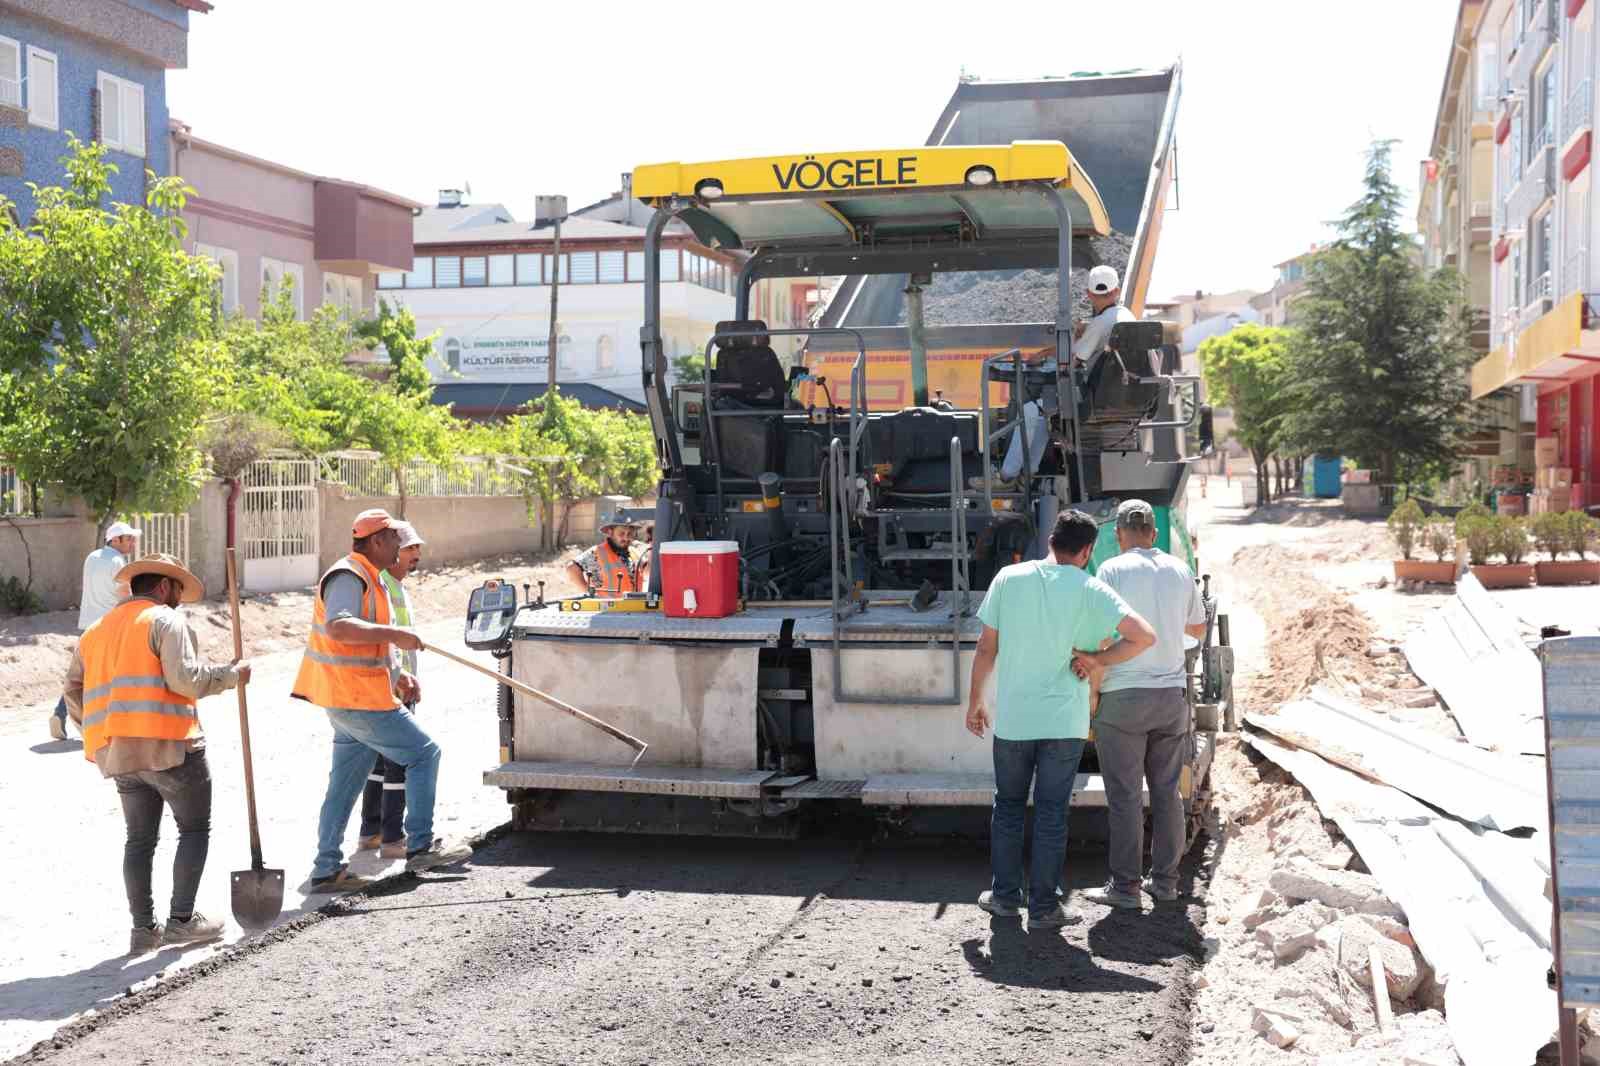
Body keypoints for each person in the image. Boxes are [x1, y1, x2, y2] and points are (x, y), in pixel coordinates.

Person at [966, 510, 1156, 928]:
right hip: (1064, 724)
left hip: (1015, 719)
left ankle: (1003, 897)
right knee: (1052, 812)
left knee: (1009, 807)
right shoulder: (1092, 589)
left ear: (1051, 540)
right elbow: (1144, 635)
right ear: (1088, 550)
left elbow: (985, 649)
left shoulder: (1008, 579)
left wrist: (975, 701)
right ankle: (1044, 908)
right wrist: (1096, 659)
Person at [61, 553, 250, 955]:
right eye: (178, 590)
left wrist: (96, 730)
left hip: (118, 752)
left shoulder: (95, 631)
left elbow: (72, 690)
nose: (179, 598)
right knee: (195, 829)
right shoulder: (165, 620)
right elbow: (186, 680)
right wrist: (233, 675)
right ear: (164, 586)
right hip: (171, 747)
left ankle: (143, 931)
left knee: (139, 840)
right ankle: (182, 921)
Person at [294, 509, 471, 892]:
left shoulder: (372, 579)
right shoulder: (348, 575)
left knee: (344, 784)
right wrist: (397, 634)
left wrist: (397, 673)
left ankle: (326, 869)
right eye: (395, 540)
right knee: (424, 754)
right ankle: (421, 845)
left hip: (349, 696)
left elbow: (370, 643)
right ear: (376, 541)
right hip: (357, 697)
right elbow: (339, 626)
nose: (401, 547)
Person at [1077, 499, 1208, 910]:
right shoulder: (1179, 569)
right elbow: (1198, 628)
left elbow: (1100, 635)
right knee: (1168, 793)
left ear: (1116, 536)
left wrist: (1093, 692)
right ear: (1154, 534)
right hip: (1171, 698)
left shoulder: (1112, 570)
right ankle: (1166, 883)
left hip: (1124, 699)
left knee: (1126, 796)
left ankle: (1126, 887)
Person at [357, 520, 425, 860]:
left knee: (380, 764)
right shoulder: (382, 585)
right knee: (402, 760)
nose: (417, 555)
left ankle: (371, 831)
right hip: (390, 688)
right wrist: (401, 679)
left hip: (398, 684)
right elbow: (386, 643)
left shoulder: (396, 586)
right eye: (411, 548)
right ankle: (392, 837)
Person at [50, 521, 141, 740]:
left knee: (83, 674)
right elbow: (124, 594)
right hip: (108, 627)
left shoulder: (92, 557)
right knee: (108, 676)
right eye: (128, 539)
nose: (132, 543)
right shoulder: (118, 561)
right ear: (115, 540)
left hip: (87, 625)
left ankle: (60, 714)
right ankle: (106, 724)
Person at [566, 505, 648, 597]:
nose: (626, 537)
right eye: (621, 533)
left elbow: (649, 571)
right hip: (608, 610)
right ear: (610, 532)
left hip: (634, 608)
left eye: (630, 533)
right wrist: (588, 592)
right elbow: (572, 568)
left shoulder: (635, 553)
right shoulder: (597, 552)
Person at [1073, 264, 1137, 365]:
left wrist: (1077, 336)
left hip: (1105, 379)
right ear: (1117, 291)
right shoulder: (1128, 314)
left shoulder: (1099, 322)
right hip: (1132, 377)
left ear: (1088, 293)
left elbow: (1075, 359)